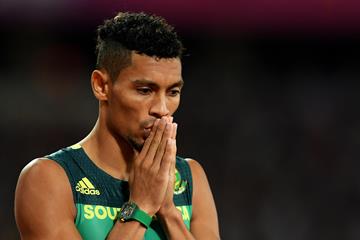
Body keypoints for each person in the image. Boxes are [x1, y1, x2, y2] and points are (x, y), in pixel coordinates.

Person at [14, 12, 219, 240]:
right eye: (145, 90)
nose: (162, 108)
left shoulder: (191, 178)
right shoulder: (49, 180)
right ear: (101, 86)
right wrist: (140, 206)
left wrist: (168, 212)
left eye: (173, 92)